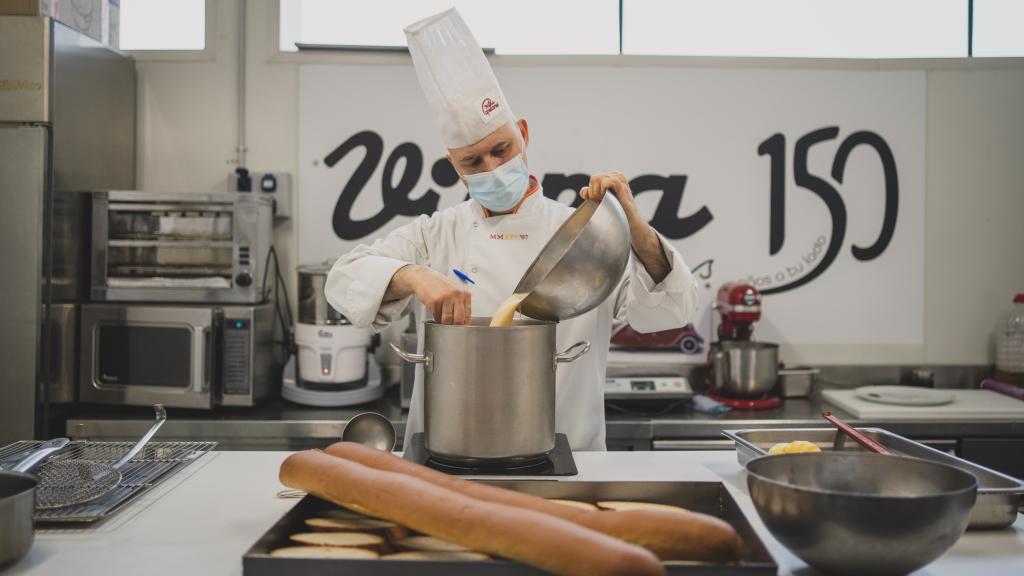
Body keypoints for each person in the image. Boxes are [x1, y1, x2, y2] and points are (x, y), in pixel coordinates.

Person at [325, 8, 698, 451]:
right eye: (473, 162)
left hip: (569, 466)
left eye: (501, 149)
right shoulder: (435, 235)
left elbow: (672, 310)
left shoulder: (584, 239)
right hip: (448, 463)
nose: (492, 168)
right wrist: (415, 276)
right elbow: (343, 277)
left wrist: (635, 228)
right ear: (454, 168)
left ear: (522, 134)